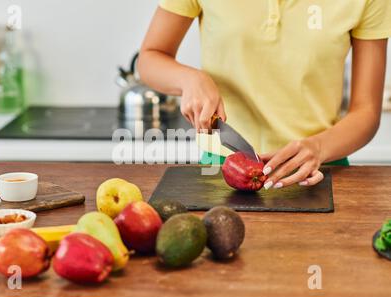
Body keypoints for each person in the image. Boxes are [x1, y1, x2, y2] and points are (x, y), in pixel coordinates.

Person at [138, 0, 391, 189]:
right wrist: (190, 79)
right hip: (222, 168)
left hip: (321, 170)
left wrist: (319, 147)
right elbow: (150, 58)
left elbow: (367, 111)